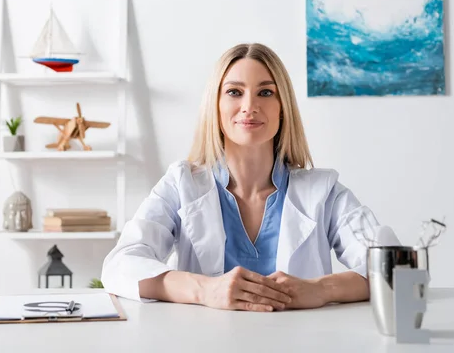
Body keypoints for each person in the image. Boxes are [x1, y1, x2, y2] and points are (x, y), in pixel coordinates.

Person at [101, 42, 378, 312]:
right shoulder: (180, 184)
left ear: (283, 108)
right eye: (234, 92)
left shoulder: (324, 192)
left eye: (266, 93)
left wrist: (319, 290)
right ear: (215, 106)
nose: (249, 106)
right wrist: (204, 290)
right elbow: (120, 265)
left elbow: (393, 267)